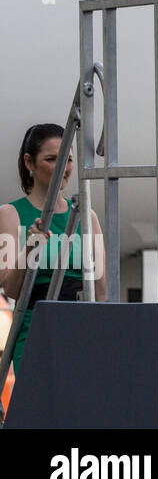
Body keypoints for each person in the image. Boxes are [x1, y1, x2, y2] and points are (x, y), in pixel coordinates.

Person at [0, 123, 107, 374]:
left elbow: (102, 292)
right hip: (35, 329)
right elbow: (11, 288)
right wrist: (30, 248)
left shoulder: (87, 216)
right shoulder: (10, 214)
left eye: (68, 160)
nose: (63, 168)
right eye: (51, 159)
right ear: (30, 163)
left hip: (81, 328)